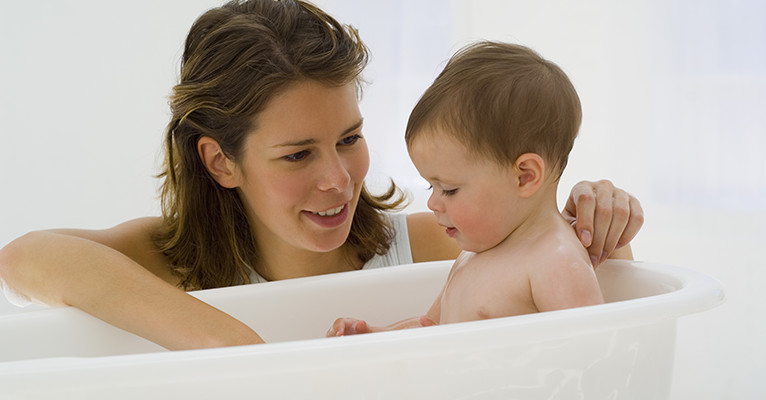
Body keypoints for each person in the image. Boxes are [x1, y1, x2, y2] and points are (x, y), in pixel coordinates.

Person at [0, 0, 641, 350]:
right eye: (298, 154)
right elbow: (25, 258)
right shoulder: (177, 262)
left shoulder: (440, 243)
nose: (339, 179)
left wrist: (595, 216)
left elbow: (586, 303)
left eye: (350, 139)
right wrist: (233, 347)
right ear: (221, 161)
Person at [328, 41, 606, 336]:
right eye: (430, 187)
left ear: (525, 177)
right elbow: (432, 327)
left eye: (448, 190)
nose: (434, 202)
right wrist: (374, 335)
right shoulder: (476, 252)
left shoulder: (555, 261)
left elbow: (593, 355)